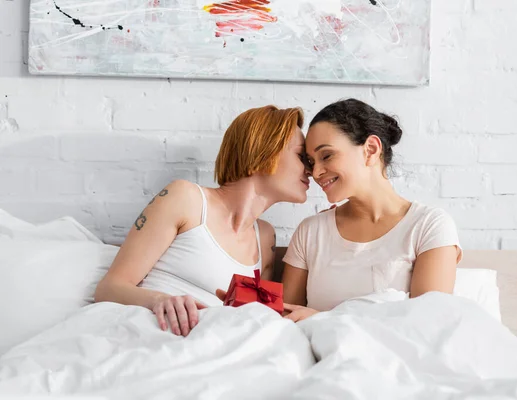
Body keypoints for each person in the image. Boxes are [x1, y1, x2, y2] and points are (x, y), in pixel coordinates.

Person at [95, 105, 310, 336]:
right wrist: (159, 300)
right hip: (151, 332)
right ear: (265, 151)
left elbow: (256, 321)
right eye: (301, 157)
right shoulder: (185, 198)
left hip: (208, 346)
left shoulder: (265, 237)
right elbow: (109, 289)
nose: (311, 169)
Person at [281, 99, 463, 322]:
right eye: (311, 161)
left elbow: (428, 325)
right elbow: (286, 322)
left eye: (326, 155)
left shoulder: (428, 226)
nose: (316, 172)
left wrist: (321, 319)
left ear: (371, 149)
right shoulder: (311, 231)